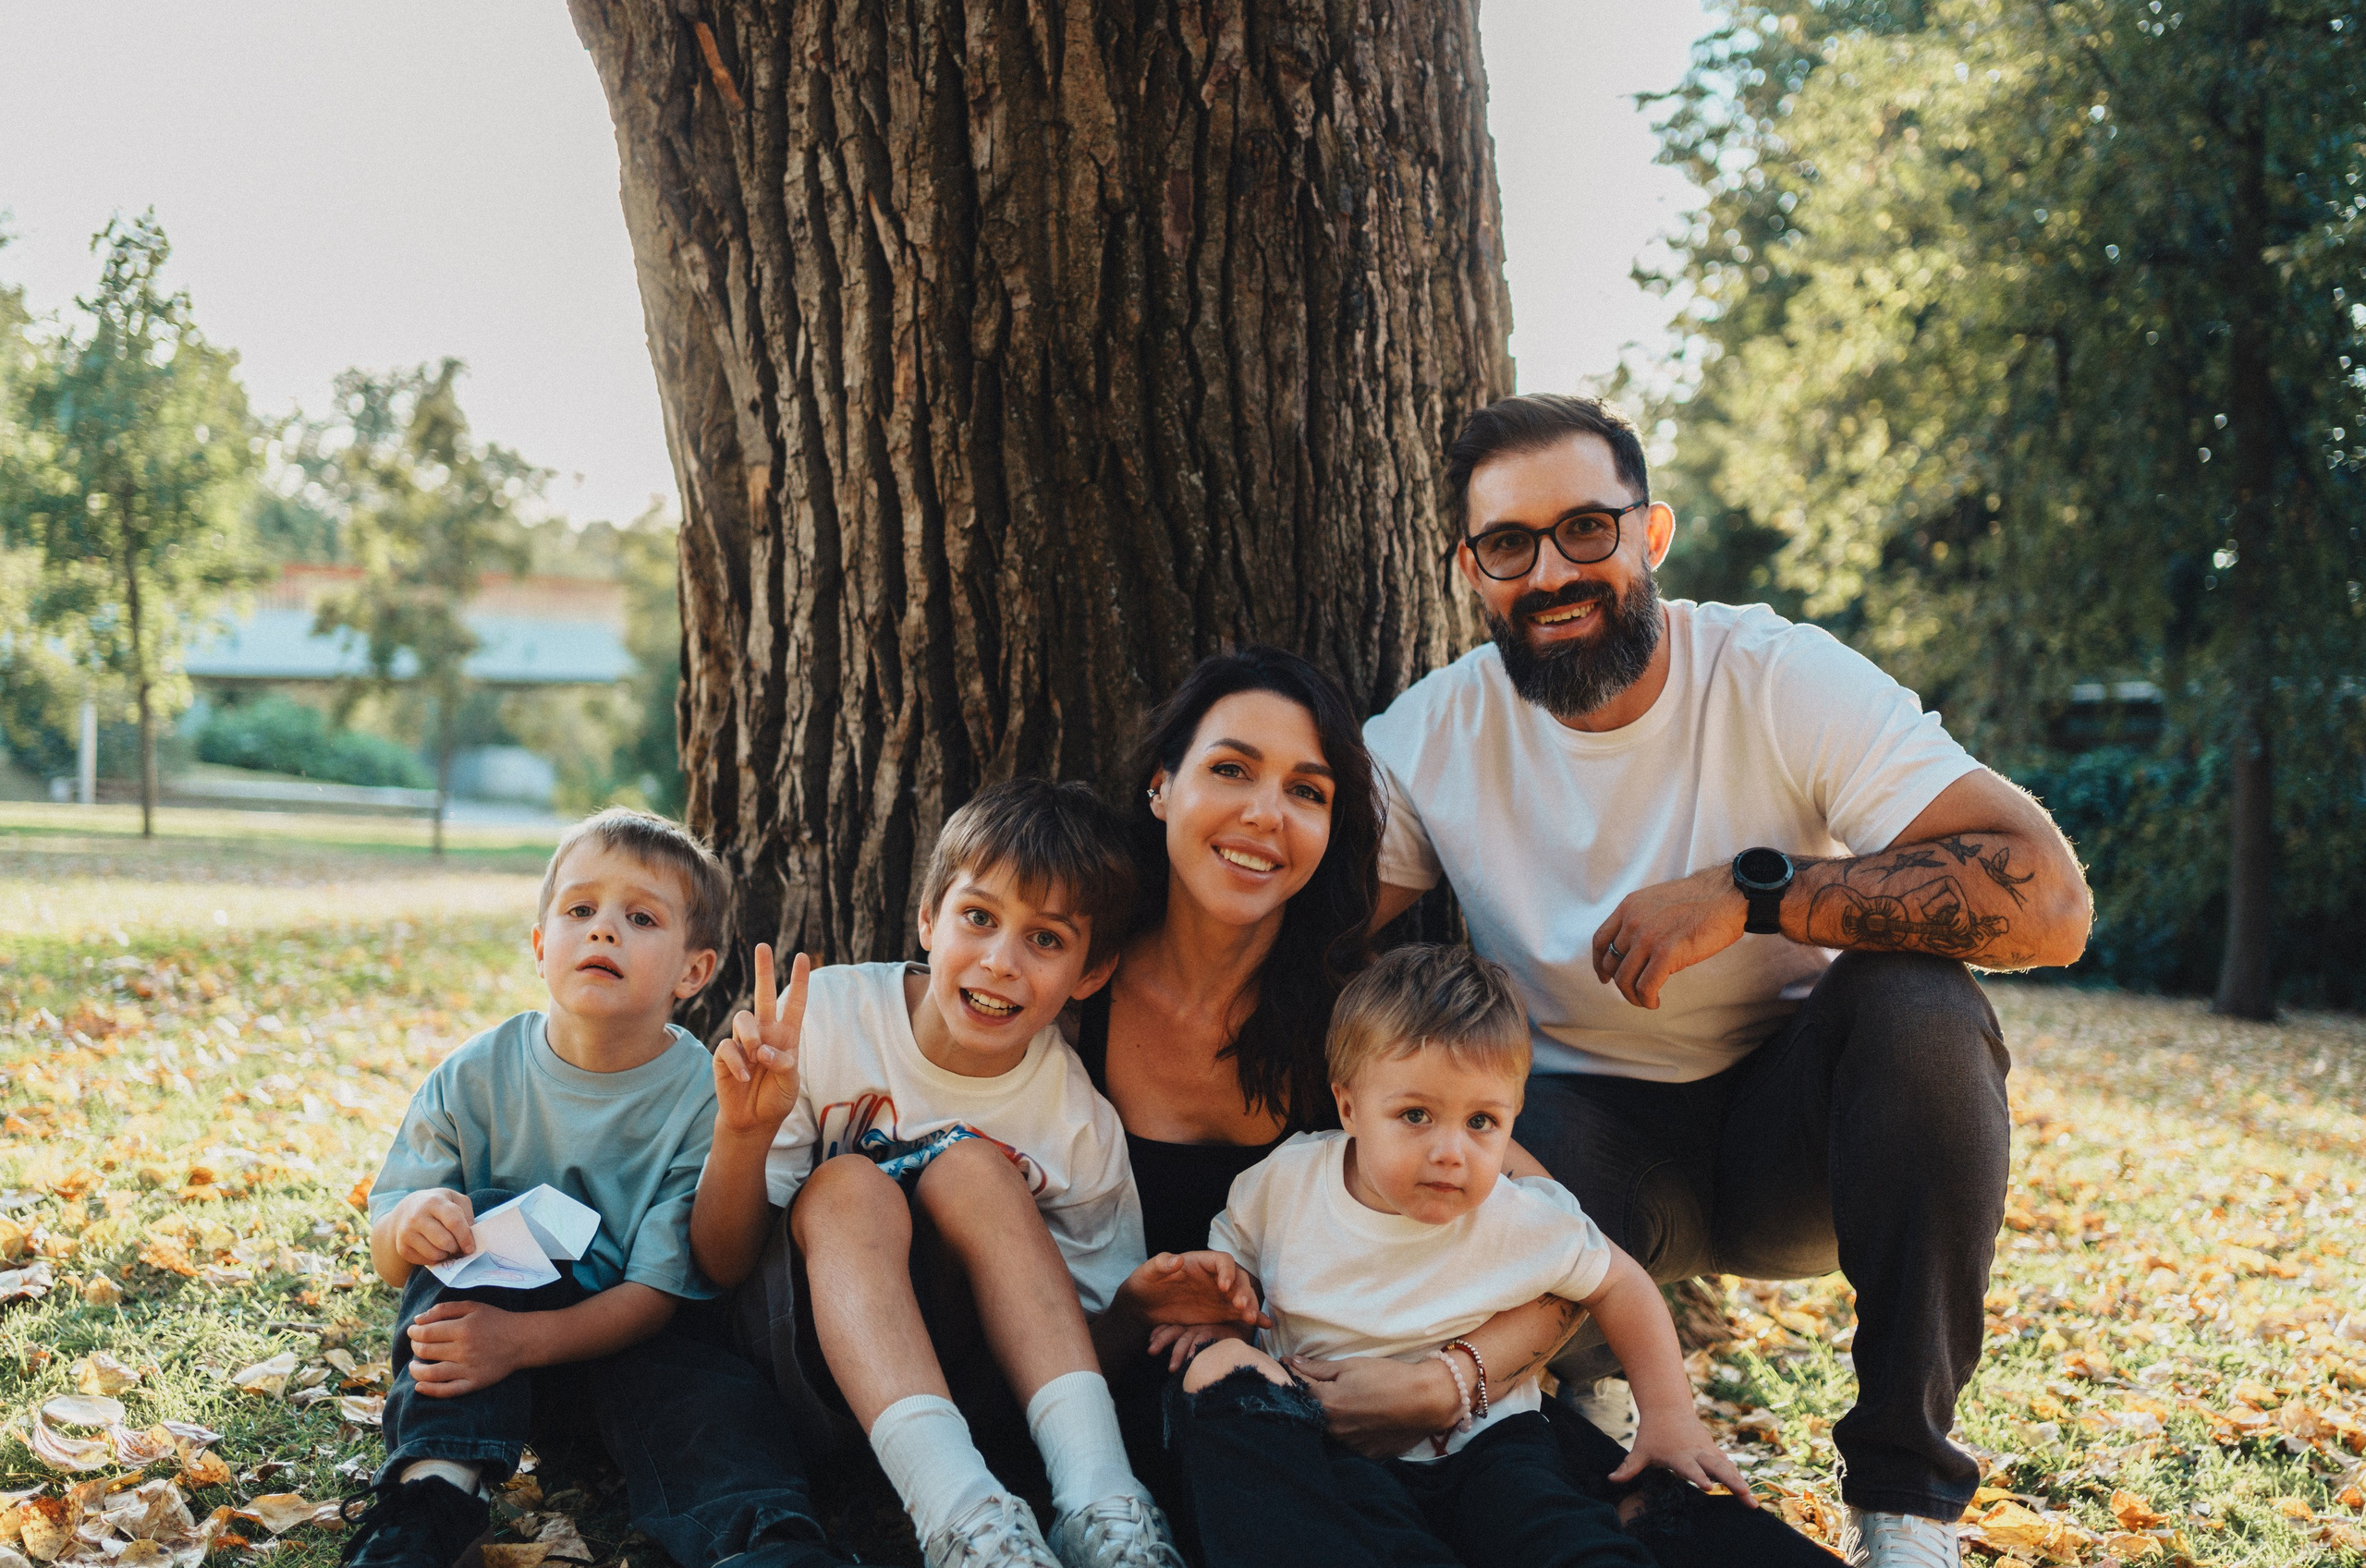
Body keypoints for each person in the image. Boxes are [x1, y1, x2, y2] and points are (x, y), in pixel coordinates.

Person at [1361, 393, 2093, 1567]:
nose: (1551, 573)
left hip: (1794, 1142)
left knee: (1919, 1007)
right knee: (1479, 1109)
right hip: (1578, 1149)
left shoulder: (1775, 675)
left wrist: (1756, 893)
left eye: (1585, 530)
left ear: (1650, 534)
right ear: (1469, 570)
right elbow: (1298, 944)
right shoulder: (1429, 735)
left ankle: (1905, 1506)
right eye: (1508, 545)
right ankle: (1583, 1392)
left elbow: (2049, 903)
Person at [1076, 649, 1821, 1566]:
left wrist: (1444, 1383)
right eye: (1231, 769)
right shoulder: (1069, 987)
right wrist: (1149, 1322)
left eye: (1307, 791)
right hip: (1220, 1437)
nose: (1266, 813)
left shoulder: (1368, 1032)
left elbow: (1557, 1246)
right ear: (1161, 785)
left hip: (1456, 1432)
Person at [690, 779, 1186, 1568]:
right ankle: (962, 1523)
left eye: (1046, 939)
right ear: (928, 918)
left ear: (1091, 972)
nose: (1000, 961)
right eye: (979, 918)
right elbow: (719, 1262)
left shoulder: (1075, 1120)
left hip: (975, 1398)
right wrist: (743, 1133)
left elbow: (1075, 1344)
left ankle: (1101, 1505)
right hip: (801, 1375)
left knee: (976, 1169)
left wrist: (1133, 1310)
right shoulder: (828, 1019)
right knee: (850, 1184)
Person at [357, 808, 849, 1568]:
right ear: (540, 945)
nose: (604, 929)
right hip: (488, 1363)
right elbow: (392, 1256)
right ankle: (431, 1499)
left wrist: (522, 1341)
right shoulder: (474, 1074)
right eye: (580, 909)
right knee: (476, 1224)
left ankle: (768, 1535)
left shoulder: (704, 1094)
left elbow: (658, 1295)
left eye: (640, 917)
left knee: (715, 1392)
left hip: (636, 1347)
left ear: (693, 971)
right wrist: (409, 1224)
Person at [1155, 943, 1751, 1568]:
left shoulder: (1520, 1216)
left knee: (1557, 1532)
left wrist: (1669, 1414)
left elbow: (1620, 1282)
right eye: (1416, 1115)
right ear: (1349, 1106)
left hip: (1491, 1444)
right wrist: (1225, 1306)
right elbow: (1237, 1272)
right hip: (1338, 1444)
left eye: (1481, 1121)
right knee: (1363, 1532)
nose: (1451, 1152)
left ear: (1514, 1116)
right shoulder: (1285, 1185)